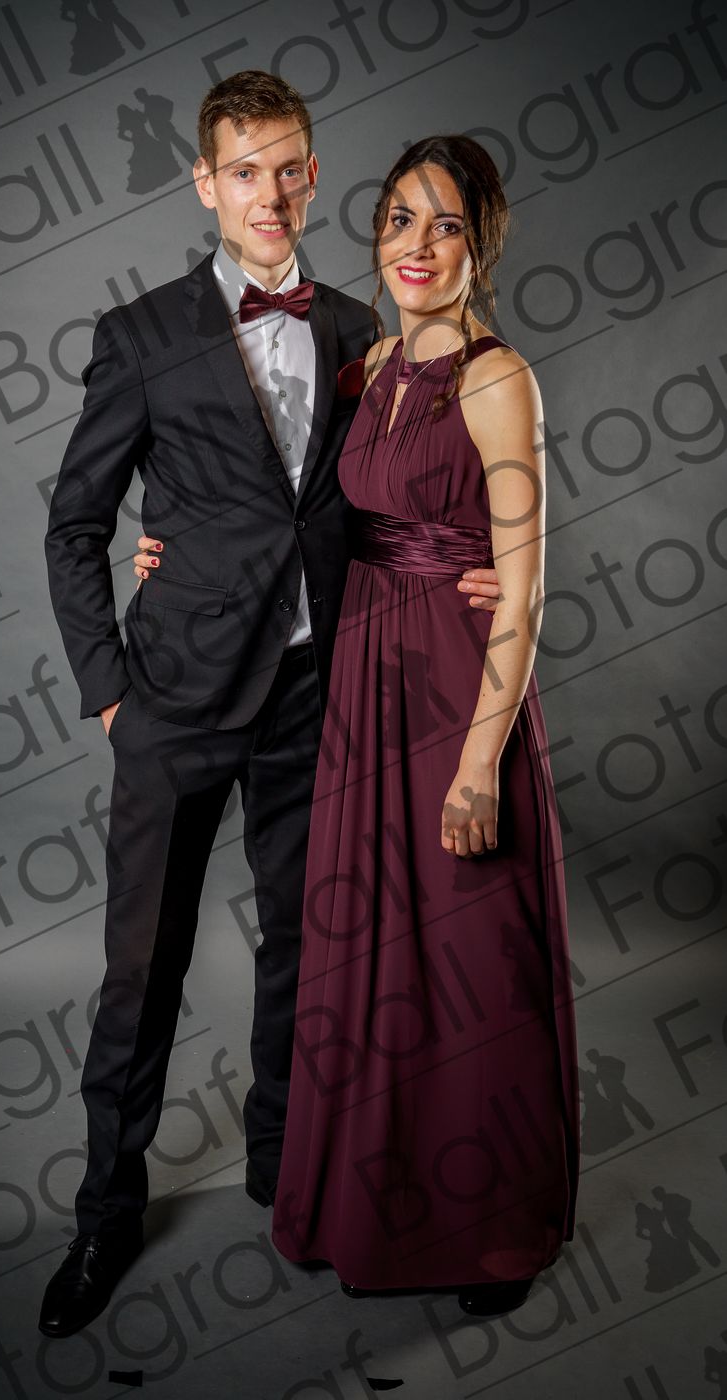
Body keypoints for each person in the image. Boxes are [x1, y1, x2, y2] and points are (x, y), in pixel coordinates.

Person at [39, 74, 500, 1339]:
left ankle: (284, 1167)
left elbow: (383, 499)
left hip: (316, 695)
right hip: (176, 701)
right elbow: (77, 525)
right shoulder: (141, 333)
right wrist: (109, 692)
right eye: (245, 170)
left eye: (290, 167)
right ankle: (105, 1211)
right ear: (207, 183)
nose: (272, 193)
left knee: (310, 950)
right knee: (142, 968)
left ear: (313, 174)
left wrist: (477, 565)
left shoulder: (361, 330)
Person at [262, 135, 580, 1317]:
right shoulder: (366, 370)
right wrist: (162, 544)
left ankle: (492, 1228)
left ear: (480, 245)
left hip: (457, 694)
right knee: (373, 951)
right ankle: (364, 1205)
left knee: (471, 957)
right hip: (364, 683)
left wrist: (481, 761)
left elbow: (526, 584)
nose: (417, 244)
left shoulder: (499, 378)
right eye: (400, 218)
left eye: (446, 224)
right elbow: (297, 515)